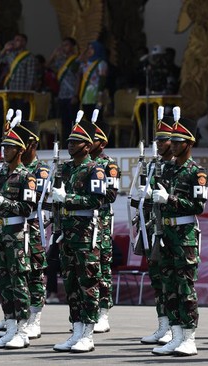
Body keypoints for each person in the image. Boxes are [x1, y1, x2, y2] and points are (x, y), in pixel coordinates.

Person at [150, 116, 207, 357]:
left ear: (189, 143)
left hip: (184, 236)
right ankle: (175, 335)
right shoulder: (166, 168)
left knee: (185, 287)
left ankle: (189, 336)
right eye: (170, 141)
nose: (171, 145)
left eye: (177, 141)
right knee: (169, 286)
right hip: (165, 233)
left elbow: (198, 206)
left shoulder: (197, 172)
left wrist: (170, 199)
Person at [52, 117, 106, 353]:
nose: (70, 145)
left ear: (87, 145)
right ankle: (76, 330)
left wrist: (69, 199)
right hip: (67, 233)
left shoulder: (95, 169)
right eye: (69, 141)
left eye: (76, 142)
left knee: (88, 282)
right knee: (71, 284)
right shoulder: (65, 168)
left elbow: (98, 200)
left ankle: (88, 334)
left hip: (85, 232)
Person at [0, 123, 37, 350]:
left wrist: (2, 202)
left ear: (20, 150)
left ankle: (23, 331)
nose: (4, 150)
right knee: (3, 283)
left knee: (18, 283)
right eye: (3, 146)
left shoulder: (27, 176)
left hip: (15, 235)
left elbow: (28, 209)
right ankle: (10, 327)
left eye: (9, 147)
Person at [136, 113, 175, 345]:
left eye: (164, 140)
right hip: (153, 227)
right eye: (157, 140)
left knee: (173, 283)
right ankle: (162, 325)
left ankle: (174, 327)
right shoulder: (153, 164)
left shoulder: (177, 168)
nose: (159, 144)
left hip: (172, 230)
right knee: (157, 280)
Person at [15, 120, 50, 339]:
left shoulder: (41, 170)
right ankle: (17, 315)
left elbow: (38, 199)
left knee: (34, 273)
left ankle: (35, 318)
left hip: (33, 225)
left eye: (23, 142)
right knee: (14, 272)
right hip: (14, 226)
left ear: (32, 144)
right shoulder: (11, 167)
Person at [89, 115, 121, 333]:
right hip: (81, 223)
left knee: (102, 267)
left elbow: (111, 195)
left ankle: (103, 313)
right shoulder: (78, 165)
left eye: (92, 139)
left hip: (100, 222)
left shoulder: (109, 165)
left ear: (102, 142)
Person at [47, 37, 80, 142]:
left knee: (73, 121)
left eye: (66, 45)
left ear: (72, 47)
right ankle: (66, 143)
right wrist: (54, 54)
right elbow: (48, 66)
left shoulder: (76, 60)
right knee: (64, 121)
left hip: (72, 94)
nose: (64, 47)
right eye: (63, 45)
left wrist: (76, 95)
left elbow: (79, 78)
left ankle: (74, 142)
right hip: (62, 94)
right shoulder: (60, 60)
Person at [0, 33, 37, 116]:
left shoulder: (29, 57)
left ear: (24, 42)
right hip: (11, 90)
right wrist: (4, 49)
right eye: (14, 40)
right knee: (11, 118)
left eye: (18, 40)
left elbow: (31, 76)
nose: (15, 42)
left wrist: (28, 93)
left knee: (22, 118)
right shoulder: (10, 55)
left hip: (22, 92)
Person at [78, 41, 108, 115]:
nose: (89, 50)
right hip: (86, 95)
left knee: (96, 120)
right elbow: (73, 69)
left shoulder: (101, 63)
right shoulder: (85, 64)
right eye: (88, 48)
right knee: (87, 119)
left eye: (92, 48)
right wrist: (81, 55)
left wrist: (100, 94)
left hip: (96, 95)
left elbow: (102, 79)